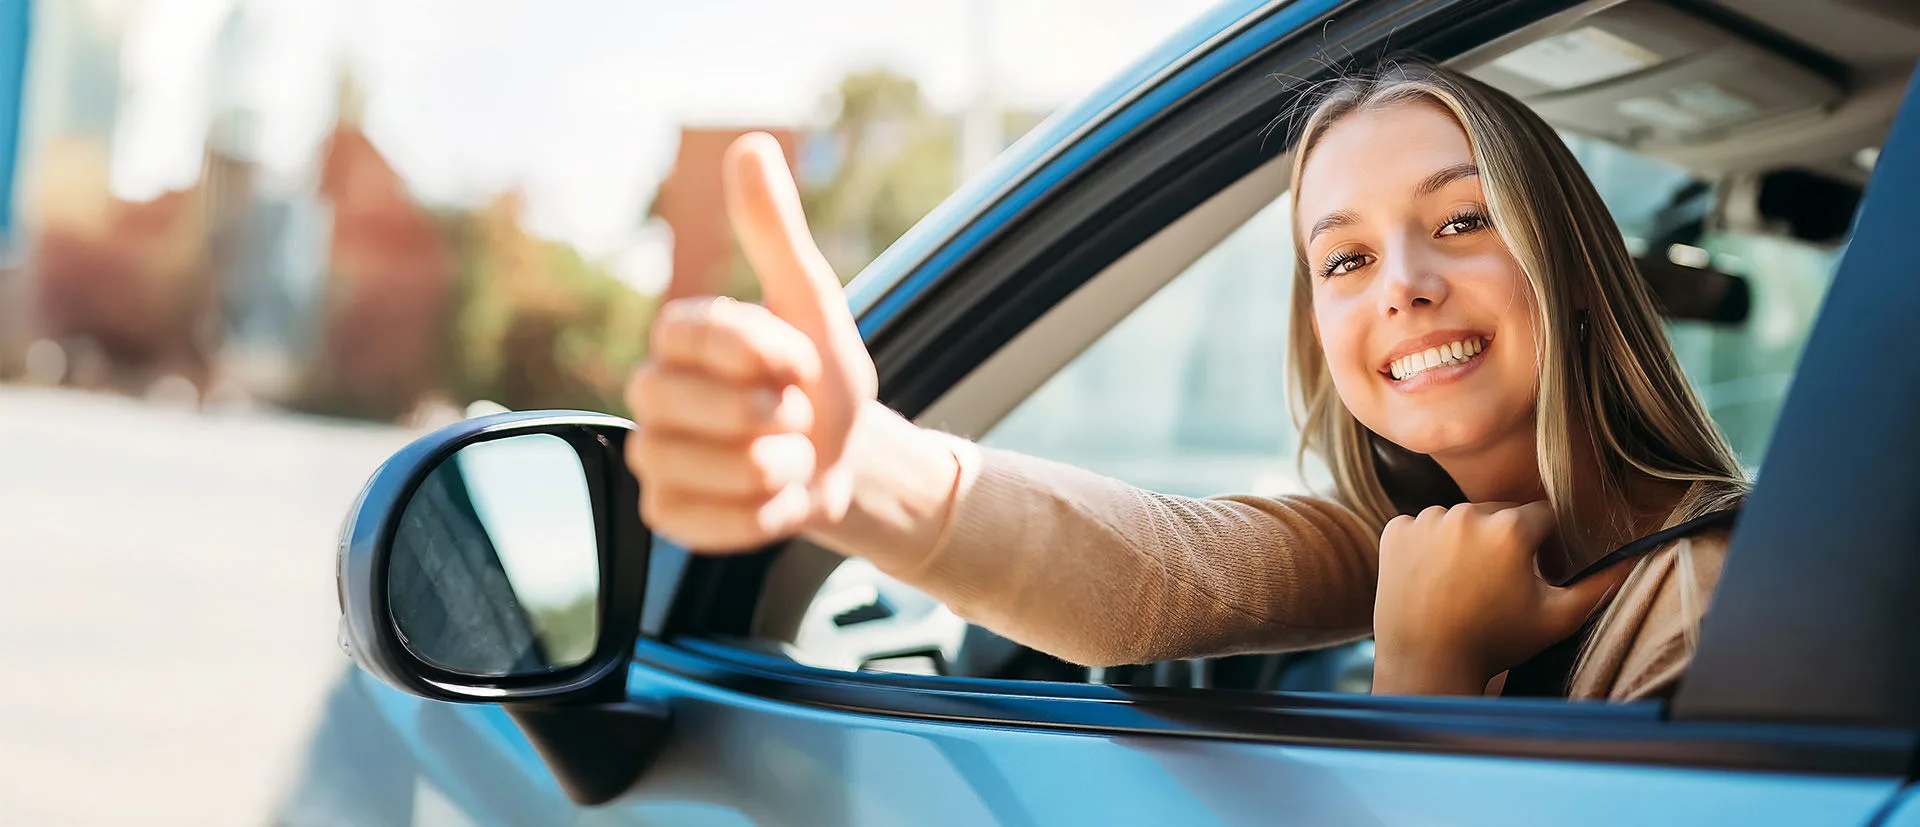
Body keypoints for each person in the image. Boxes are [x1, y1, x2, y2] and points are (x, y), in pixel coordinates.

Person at [621, 59, 1748, 701]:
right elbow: (1162, 573)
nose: (1399, 286)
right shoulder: (1394, 541)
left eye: (1461, 220)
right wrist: (860, 466)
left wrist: (1428, 668)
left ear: (1579, 271)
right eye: (1344, 259)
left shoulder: (1707, 601)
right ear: (1321, 333)